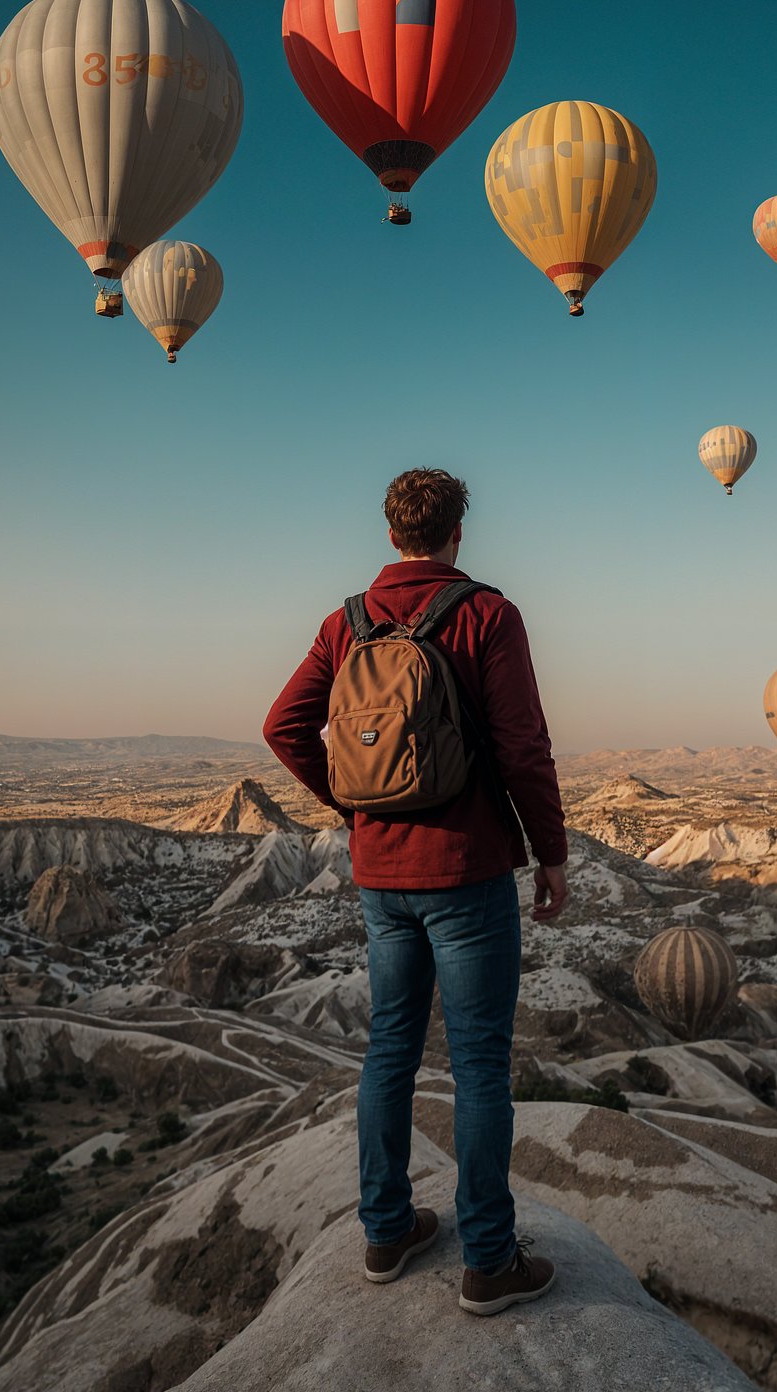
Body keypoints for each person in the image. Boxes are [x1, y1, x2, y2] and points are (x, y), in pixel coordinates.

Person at [263, 467, 568, 1315]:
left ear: (391, 533)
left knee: (389, 1050)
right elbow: (523, 747)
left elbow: (283, 725)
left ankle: (387, 1231)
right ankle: (488, 1262)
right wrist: (551, 852)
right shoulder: (486, 614)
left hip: (379, 877)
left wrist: (352, 803)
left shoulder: (346, 622)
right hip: (467, 871)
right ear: (457, 533)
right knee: (477, 1066)